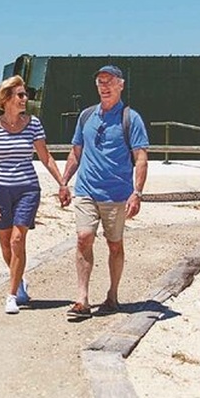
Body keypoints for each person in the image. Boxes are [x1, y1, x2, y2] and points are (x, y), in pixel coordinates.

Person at [61, 65, 149, 319]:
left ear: (121, 85)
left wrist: (137, 193)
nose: (104, 86)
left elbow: (141, 158)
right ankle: (82, 299)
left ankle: (112, 294)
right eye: (100, 81)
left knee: (114, 245)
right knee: (83, 237)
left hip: (116, 194)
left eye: (109, 81)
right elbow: (76, 152)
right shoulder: (87, 116)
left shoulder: (131, 119)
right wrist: (64, 181)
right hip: (86, 190)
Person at [0, 75, 71, 314]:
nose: (25, 99)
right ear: (7, 98)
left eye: (25, 95)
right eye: (20, 95)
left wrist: (62, 183)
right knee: (5, 245)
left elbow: (45, 156)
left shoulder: (33, 124)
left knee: (17, 240)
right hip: (0, 190)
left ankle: (11, 295)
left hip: (27, 189)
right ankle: (19, 281)